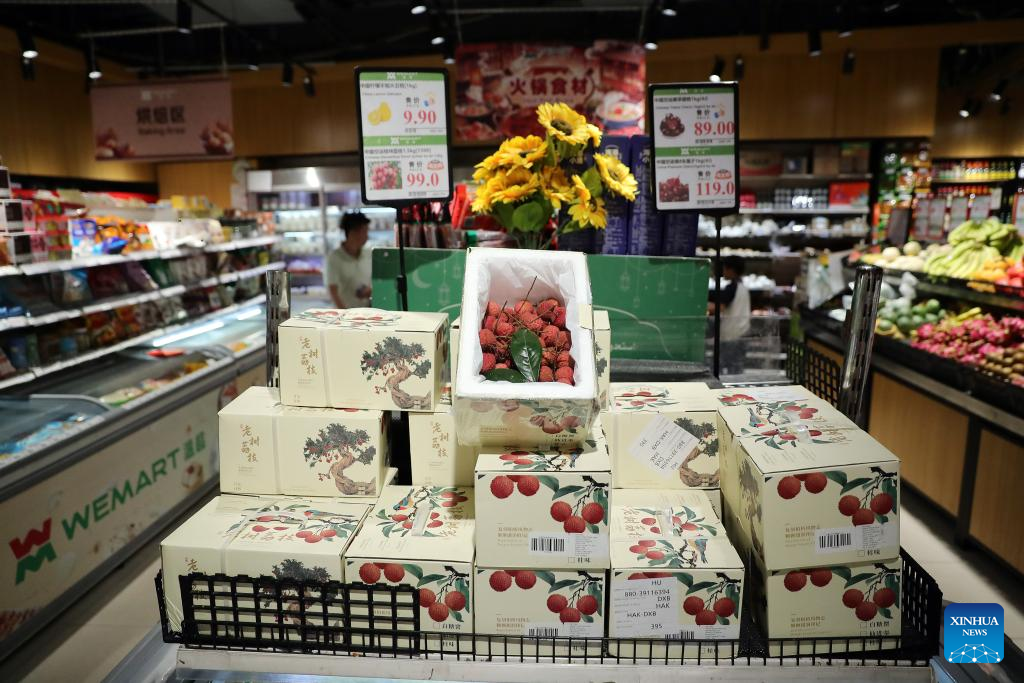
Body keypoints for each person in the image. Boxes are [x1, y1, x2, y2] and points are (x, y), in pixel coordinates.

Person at [708, 256, 751, 374]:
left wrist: (702, 306)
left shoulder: (731, 287)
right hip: (742, 333)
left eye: (724, 268)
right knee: (736, 368)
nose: (722, 271)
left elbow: (720, 307)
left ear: (731, 270)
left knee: (722, 368)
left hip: (730, 335)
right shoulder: (743, 287)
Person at [325, 212, 373, 309]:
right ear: (353, 232)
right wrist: (345, 313)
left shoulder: (369, 254)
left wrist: (370, 291)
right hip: (344, 314)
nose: (367, 236)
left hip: (366, 313)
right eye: (365, 231)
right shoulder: (334, 257)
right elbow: (333, 291)